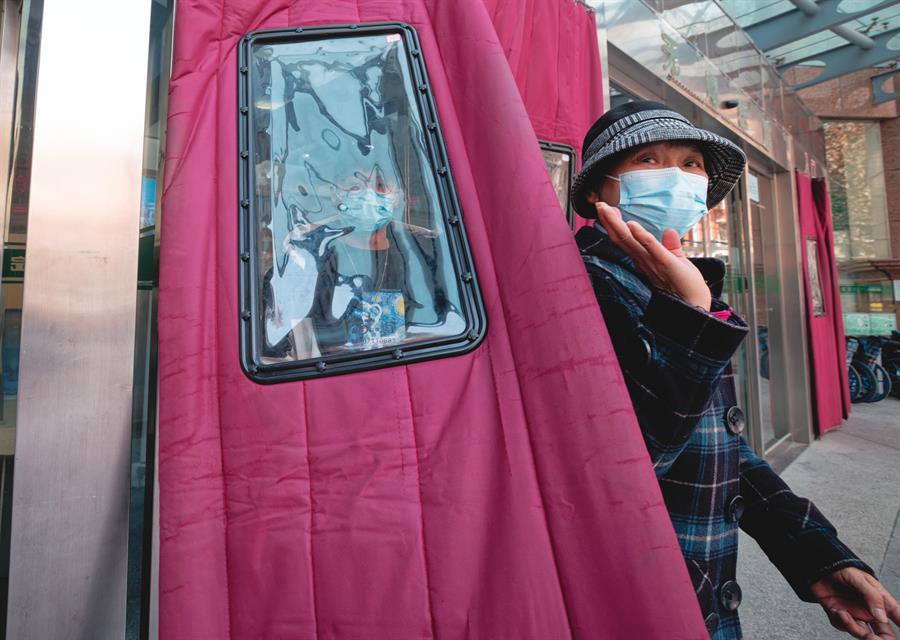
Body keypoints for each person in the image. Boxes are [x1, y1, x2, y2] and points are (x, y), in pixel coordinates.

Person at [569, 100, 900, 640]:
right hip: (636, 596)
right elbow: (631, 459)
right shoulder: (579, 287)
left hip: (703, 593)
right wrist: (693, 315)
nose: (676, 176)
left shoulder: (673, 285)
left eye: (692, 163)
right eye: (648, 159)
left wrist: (815, 553)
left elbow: (721, 445)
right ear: (595, 191)